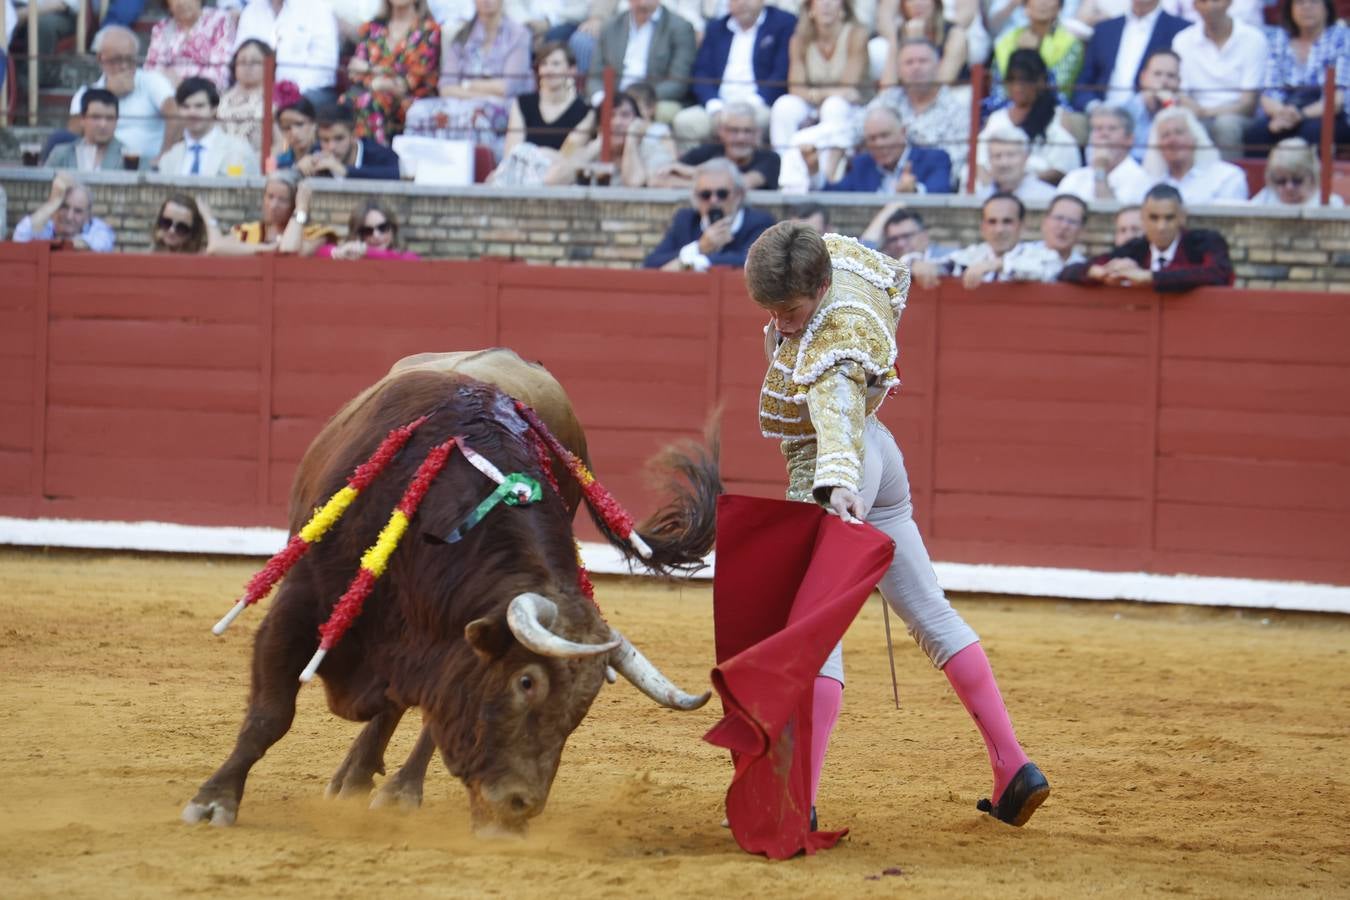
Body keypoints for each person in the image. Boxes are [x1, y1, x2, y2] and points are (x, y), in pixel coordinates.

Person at [743, 222, 1049, 832]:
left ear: (821, 287)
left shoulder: (835, 335)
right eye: (771, 311)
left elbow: (834, 414)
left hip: (841, 468)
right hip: (883, 458)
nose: (781, 322)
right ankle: (1014, 767)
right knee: (933, 615)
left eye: (791, 310)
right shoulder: (833, 265)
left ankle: (795, 800)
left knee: (814, 637)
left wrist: (836, 484)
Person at [404, 0, 534, 159]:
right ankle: (416, 172)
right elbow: (446, 87)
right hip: (459, 102)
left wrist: (466, 85)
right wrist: (483, 89)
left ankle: (477, 174)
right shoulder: (463, 34)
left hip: (505, 107)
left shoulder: (518, 35)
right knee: (417, 111)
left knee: (473, 117)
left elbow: (507, 87)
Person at [766, 0, 869, 185]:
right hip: (813, 103)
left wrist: (815, 93)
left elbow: (849, 85)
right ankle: (783, 175)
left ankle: (825, 178)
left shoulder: (856, 35)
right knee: (784, 106)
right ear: (810, 7)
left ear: (843, 6)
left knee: (834, 106)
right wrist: (818, 95)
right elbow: (795, 87)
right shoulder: (798, 39)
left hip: (851, 109)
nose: (826, 5)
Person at [1060, 183, 1234, 290]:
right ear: (1143, 218)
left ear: (1182, 217)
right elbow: (1069, 271)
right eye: (1154, 218)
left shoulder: (1205, 241)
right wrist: (1098, 272)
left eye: (1169, 218)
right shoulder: (1136, 248)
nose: (1161, 227)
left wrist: (1148, 277)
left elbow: (1218, 274)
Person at [673, 0, 796, 147]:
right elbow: (701, 73)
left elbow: (781, 73)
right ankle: (694, 170)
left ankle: (757, 169)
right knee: (685, 122)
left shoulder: (783, 23)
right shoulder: (716, 28)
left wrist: (750, 107)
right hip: (719, 106)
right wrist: (715, 106)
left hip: (759, 105)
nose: (743, 3)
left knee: (764, 120)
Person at [1242, 0, 1350, 155]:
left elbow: (1337, 101)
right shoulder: (1279, 38)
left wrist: (1300, 115)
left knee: (1312, 132)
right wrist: (1282, 113)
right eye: (1299, 3)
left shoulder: (1342, 38)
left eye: (1313, 3)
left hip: (1326, 112)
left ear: (1327, 9)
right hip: (1285, 109)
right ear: (1290, 10)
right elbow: (1269, 93)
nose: (1306, 7)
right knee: (1257, 134)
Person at [69, 26, 180, 165]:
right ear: (100, 58)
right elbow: (73, 133)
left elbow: (176, 116)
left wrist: (163, 157)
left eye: (129, 59)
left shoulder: (152, 81)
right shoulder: (86, 93)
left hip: (147, 166)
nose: (124, 66)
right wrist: (108, 94)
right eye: (116, 60)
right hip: (103, 167)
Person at [1171, 0, 1267, 160]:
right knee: (1178, 122)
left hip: (1238, 116)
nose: (1211, 7)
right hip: (1197, 112)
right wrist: (1199, 112)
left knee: (1225, 125)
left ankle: (1231, 181)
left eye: (1216, 0)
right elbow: (1181, 94)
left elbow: (1248, 104)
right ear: (1194, 6)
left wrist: (1207, 112)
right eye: (1203, 1)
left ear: (1229, 2)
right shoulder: (1182, 40)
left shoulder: (1253, 39)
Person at [869, 38, 969, 190]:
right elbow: (856, 131)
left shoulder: (957, 110)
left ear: (938, 66)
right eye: (909, 62)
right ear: (899, 70)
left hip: (934, 188)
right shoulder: (887, 99)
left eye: (923, 61)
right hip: (883, 182)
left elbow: (956, 163)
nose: (916, 67)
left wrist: (916, 187)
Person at [490, 42, 595, 184]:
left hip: (560, 184)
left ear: (572, 70)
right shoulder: (523, 103)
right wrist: (546, 153)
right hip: (520, 178)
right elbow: (512, 154)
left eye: (556, 64)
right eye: (544, 64)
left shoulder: (585, 111)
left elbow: (567, 157)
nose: (548, 70)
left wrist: (532, 153)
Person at [642, 158, 776, 270]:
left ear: (739, 195)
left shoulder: (759, 223)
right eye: (705, 195)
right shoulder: (686, 220)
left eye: (722, 194)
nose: (714, 200)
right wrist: (699, 247)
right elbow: (652, 263)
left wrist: (691, 262)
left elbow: (750, 262)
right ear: (696, 198)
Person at [344, 0, 443, 144]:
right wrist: (381, 80)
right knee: (345, 101)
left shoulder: (429, 30)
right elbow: (354, 73)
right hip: (370, 93)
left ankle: (377, 159)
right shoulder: (370, 28)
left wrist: (370, 69)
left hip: (410, 101)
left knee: (371, 102)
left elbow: (408, 82)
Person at [977, 49, 1081, 185]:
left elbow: (1064, 168)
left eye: (1024, 81)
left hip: (1039, 193)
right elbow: (979, 161)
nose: (1017, 87)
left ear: (1041, 81)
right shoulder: (996, 118)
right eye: (1012, 80)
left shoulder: (1058, 116)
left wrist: (1022, 183)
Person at [586, 0, 697, 122]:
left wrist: (639, 99)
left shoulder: (680, 28)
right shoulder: (611, 26)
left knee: (663, 112)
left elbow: (678, 82)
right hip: (614, 99)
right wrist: (602, 98)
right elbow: (595, 75)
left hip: (654, 100)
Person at [1070, 0, 1189, 111]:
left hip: (1151, 116)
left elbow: (1182, 84)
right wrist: (1094, 107)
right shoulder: (1105, 29)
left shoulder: (1181, 31)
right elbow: (1084, 82)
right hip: (1099, 115)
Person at [814, 105, 952, 193]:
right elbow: (837, 196)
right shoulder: (862, 164)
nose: (879, 144)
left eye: (884, 136)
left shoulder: (934, 158)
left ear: (903, 132)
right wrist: (815, 172)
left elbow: (942, 189)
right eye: (872, 138)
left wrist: (915, 190)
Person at [910, 193, 1037, 287]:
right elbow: (938, 266)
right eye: (992, 222)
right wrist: (916, 264)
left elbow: (1041, 270)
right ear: (983, 228)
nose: (999, 229)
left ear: (1022, 226)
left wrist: (996, 264)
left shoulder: (1040, 255)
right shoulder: (972, 256)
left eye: (1007, 221)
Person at [653, 101, 782, 189]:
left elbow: (742, 183)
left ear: (757, 133)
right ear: (721, 131)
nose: (741, 138)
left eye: (747, 131)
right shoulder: (705, 152)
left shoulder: (770, 158)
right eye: (734, 131)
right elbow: (657, 180)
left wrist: (692, 172)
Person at [233, 0, 340, 105]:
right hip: (257, 92)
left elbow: (324, 68)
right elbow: (239, 58)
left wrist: (285, 92)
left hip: (307, 93)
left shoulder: (318, 8)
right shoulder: (251, 11)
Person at [1142, 105, 1248, 204]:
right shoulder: (1147, 183)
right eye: (1165, 135)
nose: (1172, 140)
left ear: (1195, 138)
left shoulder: (1227, 177)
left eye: (1179, 132)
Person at [213, 172, 336, 254]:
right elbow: (215, 248)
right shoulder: (250, 231)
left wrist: (302, 207)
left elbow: (288, 249)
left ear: (294, 203)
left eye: (282, 200)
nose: (273, 206)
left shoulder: (315, 233)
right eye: (270, 197)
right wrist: (265, 248)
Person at [158, 77, 260, 176]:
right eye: (185, 107)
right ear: (179, 110)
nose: (192, 112)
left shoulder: (238, 151)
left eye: (199, 106)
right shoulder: (169, 158)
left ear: (214, 109)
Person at [991, 0, 1084, 104]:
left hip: (1053, 108)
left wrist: (1032, 54)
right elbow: (998, 89)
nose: (1043, 3)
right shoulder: (1006, 42)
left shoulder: (1070, 43)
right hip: (1008, 107)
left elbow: (1058, 89)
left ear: (1060, 7)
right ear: (1025, 6)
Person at [1056, 105, 1153, 204]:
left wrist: (1100, 169)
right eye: (1098, 129)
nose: (1104, 134)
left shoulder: (1140, 179)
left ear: (1129, 139)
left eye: (1112, 129)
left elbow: (1110, 217)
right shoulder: (1074, 177)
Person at [145, 0, 237, 90]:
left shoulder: (220, 20)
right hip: (167, 96)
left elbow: (220, 74)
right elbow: (150, 71)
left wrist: (181, 83)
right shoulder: (162, 28)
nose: (181, 2)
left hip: (207, 98)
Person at [12, 173, 116, 253]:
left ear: (87, 216)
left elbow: (102, 245)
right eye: (64, 207)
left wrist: (65, 243)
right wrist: (52, 202)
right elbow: (20, 237)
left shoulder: (98, 229)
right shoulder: (46, 227)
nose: (69, 216)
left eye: (78, 211)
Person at [303, 103, 403, 180]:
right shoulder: (316, 153)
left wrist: (346, 171)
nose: (331, 147)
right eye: (325, 140)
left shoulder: (380, 154)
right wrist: (300, 168)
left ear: (354, 135)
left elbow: (397, 174)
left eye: (339, 138)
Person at [302, 197, 422, 259]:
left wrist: (365, 251)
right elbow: (322, 251)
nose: (376, 235)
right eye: (367, 230)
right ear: (358, 233)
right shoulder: (349, 255)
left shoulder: (406, 257)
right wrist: (338, 253)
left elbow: (410, 258)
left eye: (383, 227)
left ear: (392, 228)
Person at [47, 89, 133, 172]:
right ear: (82, 119)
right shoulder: (61, 155)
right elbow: (42, 186)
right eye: (96, 117)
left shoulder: (132, 159)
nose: (103, 124)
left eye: (110, 118)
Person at [1120, 48, 1181, 160]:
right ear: (1143, 78)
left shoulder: (1183, 115)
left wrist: (1170, 107)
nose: (1164, 81)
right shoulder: (1123, 112)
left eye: (1171, 76)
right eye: (1157, 74)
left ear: (1179, 83)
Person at [1251, 137, 1346, 207]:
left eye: (1297, 180)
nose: (1289, 187)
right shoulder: (1265, 198)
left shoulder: (1331, 203)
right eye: (1281, 181)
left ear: (1312, 176)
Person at [218, 40, 274, 154]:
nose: (248, 66)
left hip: (257, 165)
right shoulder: (220, 97)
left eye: (255, 62)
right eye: (242, 62)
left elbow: (280, 144)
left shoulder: (276, 99)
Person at [976, 126, 1058, 201]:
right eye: (997, 156)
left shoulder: (1047, 197)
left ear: (1025, 158)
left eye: (1011, 155)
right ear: (989, 160)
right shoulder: (980, 198)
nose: (1004, 163)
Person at [860, 203, 955, 262]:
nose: (900, 244)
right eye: (893, 239)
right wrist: (889, 209)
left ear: (924, 236)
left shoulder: (944, 256)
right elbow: (860, 255)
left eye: (906, 236)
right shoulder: (887, 263)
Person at [273, 85, 321, 169]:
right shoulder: (280, 163)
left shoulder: (326, 157)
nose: (294, 133)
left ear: (314, 124)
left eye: (299, 124)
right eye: (287, 128)